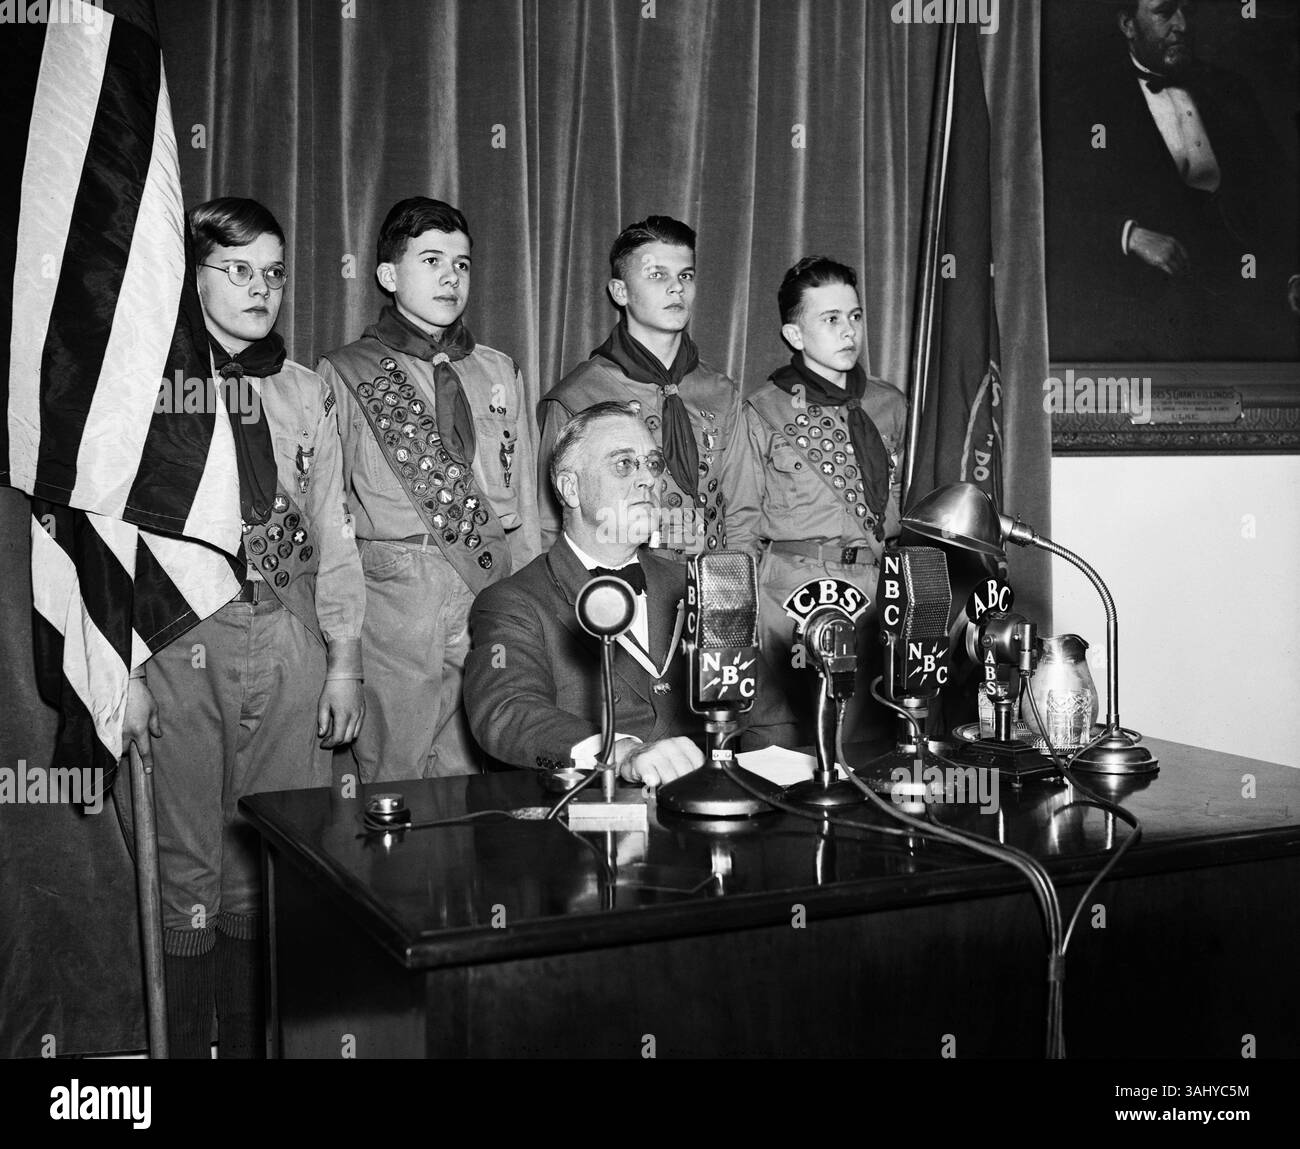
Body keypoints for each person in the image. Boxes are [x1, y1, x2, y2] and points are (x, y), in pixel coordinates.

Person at [121, 197, 366, 1058]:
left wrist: (343, 660)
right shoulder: (149, 384)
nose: (261, 288)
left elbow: (334, 527)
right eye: (238, 270)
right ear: (192, 276)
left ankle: (255, 1043)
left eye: (273, 272)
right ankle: (185, 1048)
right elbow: (114, 536)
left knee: (267, 855)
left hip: (289, 628)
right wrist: (126, 671)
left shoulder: (303, 389)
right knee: (187, 859)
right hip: (185, 636)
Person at [318, 197, 540, 783]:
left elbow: (528, 505)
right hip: (396, 584)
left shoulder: (498, 370)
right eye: (432, 260)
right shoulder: (346, 371)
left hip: (489, 581)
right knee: (396, 764)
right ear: (389, 276)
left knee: (481, 757)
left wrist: (537, 599)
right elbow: (327, 510)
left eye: (462, 264)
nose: (450, 277)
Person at [465, 402, 795, 781]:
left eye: (653, 464)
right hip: (590, 818)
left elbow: (771, 724)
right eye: (623, 464)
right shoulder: (513, 602)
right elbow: (506, 711)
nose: (648, 480)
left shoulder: (707, 585)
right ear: (570, 488)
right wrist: (620, 752)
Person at [1046, 0, 1298, 359]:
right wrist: (1129, 234)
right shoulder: (1086, 102)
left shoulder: (1231, 90)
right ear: (1128, 25)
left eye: (1187, 11)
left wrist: (1292, 274)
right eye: (1164, 12)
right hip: (1143, 313)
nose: (1181, 24)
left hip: (1245, 301)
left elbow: (1280, 192)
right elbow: (1051, 211)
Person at [727, 257, 906, 746]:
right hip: (791, 594)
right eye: (830, 319)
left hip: (873, 592)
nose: (848, 331)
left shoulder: (890, 405)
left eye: (855, 316)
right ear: (795, 334)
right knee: (788, 744)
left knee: (871, 742)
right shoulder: (765, 408)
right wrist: (744, 620)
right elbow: (740, 523)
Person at [536, 216, 745, 562]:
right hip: (620, 589)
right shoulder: (580, 395)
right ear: (621, 292)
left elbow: (742, 512)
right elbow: (549, 525)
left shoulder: (720, 392)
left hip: (712, 585)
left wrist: (736, 587)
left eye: (685, 276)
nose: (676, 288)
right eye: (657, 275)